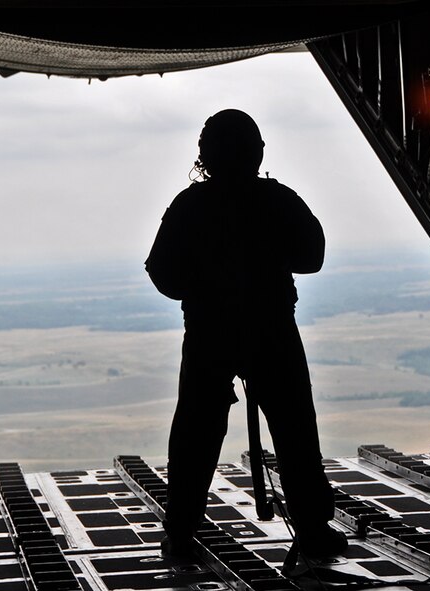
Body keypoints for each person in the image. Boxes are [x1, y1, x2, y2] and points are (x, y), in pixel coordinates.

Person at [145, 109, 346, 559]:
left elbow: (162, 272)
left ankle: (179, 533)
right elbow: (311, 256)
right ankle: (312, 530)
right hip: (271, 330)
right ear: (256, 153)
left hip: (208, 333)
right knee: (294, 430)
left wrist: (201, 288)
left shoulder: (190, 205)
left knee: (196, 434)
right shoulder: (276, 200)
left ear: (205, 155)